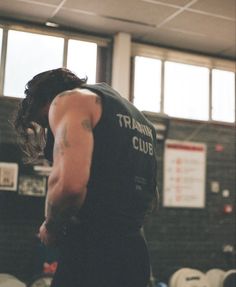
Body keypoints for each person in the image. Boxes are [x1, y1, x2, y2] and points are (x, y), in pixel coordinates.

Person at [14, 68, 158, 287]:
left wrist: (50, 227)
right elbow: (152, 198)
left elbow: (69, 185)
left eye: (44, 122)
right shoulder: (142, 122)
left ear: (45, 100)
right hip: (135, 253)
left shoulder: (68, 100)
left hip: (92, 250)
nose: (50, 129)